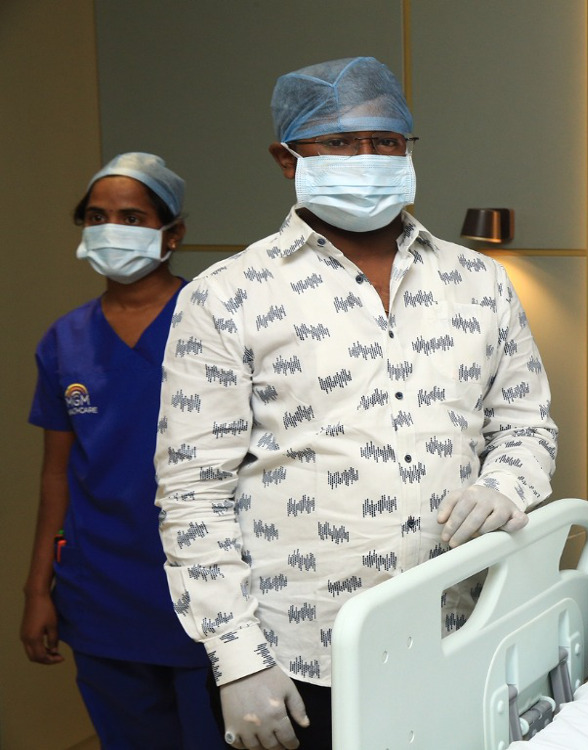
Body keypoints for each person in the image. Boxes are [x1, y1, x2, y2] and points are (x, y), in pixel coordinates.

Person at [154, 56, 557, 750]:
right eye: (339, 142)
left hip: (461, 630)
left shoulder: (480, 283)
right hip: (302, 656)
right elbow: (194, 492)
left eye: (386, 141)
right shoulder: (226, 296)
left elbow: (526, 427)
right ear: (287, 158)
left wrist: (507, 484)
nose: (367, 158)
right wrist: (238, 658)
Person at [22, 153, 224, 748]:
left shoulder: (214, 322)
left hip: (204, 587)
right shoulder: (65, 340)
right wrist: (37, 590)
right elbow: (57, 475)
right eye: (97, 216)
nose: (111, 229)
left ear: (173, 234)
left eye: (132, 217)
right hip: (100, 591)